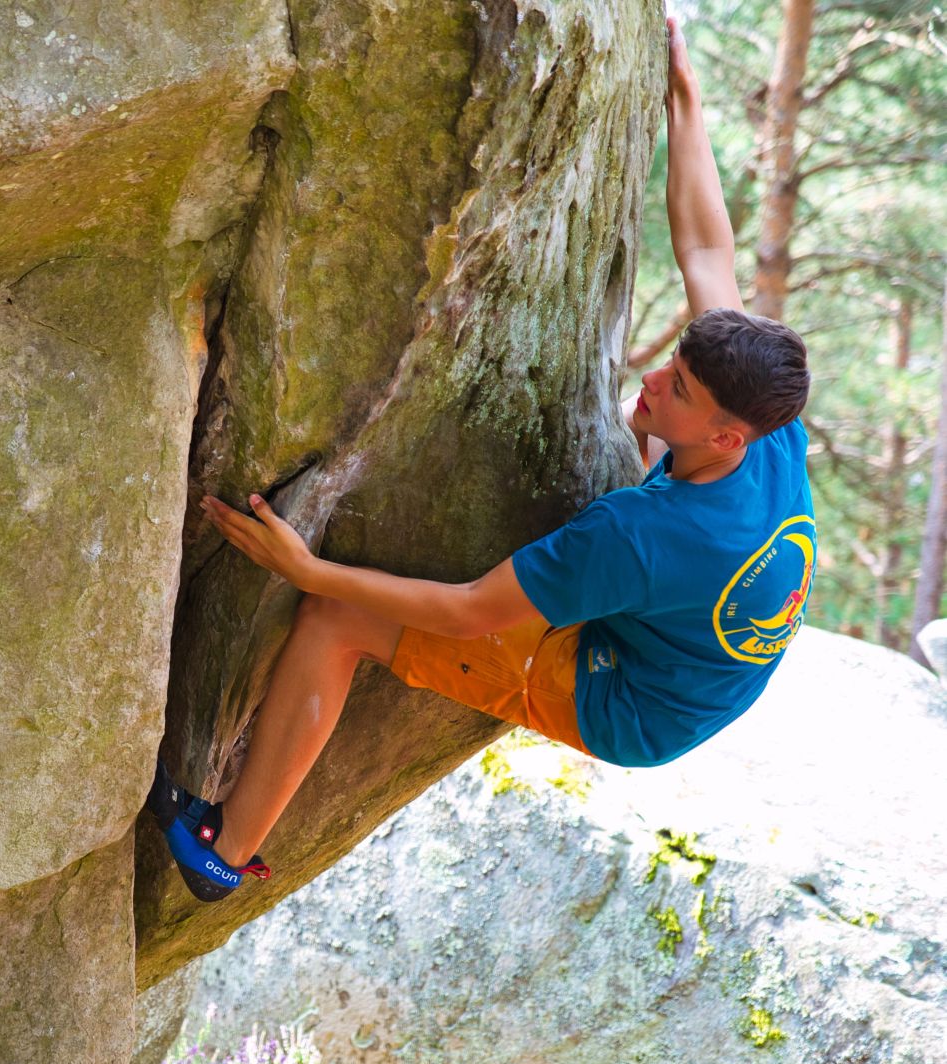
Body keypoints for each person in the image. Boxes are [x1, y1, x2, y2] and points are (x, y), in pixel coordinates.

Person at [149, 17, 814, 902]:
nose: (656, 377)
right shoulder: (769, 422)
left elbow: (468, 613)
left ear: (729, 436)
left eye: (681, 389)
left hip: (628, 700)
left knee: (334, 617)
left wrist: (306, 568)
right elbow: (706, 249)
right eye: (675, 363)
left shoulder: (637, 534)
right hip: (699, 641)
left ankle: (220, 853)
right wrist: (683, 98)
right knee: (638, 433)